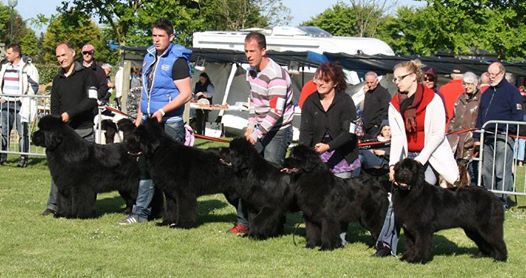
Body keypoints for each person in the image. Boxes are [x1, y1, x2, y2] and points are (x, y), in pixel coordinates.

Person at [374, 59, 458, 257]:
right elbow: (397, 137)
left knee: (422, 194)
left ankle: (421, 244)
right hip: (406, 156)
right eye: (394, 79)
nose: (396, 82)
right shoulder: (395, 103)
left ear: (413, 78)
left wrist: (421, 159)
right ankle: (386, 244)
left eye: (400, 78)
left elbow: (438, 133)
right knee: (396, 197)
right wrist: (393, 165)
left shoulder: (433, 99)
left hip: (430, 154)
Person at [119, 18, 192, 225]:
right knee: (144, 167)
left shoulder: (178, 61)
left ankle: (175, 215)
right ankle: (140, 213)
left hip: (170, 122)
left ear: (171, 37)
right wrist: (140, 117)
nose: (157, 40)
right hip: (149, 123)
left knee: (171, 173)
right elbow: (146, 91)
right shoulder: (149, 57)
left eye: (161, 36)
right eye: (154, 36)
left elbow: (186, 94)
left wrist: (162, 111)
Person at [228, 31, 294, 234]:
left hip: (278, 131)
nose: (248, 55)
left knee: (272, 181)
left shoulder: (276, 75)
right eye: (246, 51)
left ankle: (275, 224)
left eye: (252, 51)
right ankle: (243, 222)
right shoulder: (251, 71)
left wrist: (257, 133)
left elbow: (276, 111)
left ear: (263, 50)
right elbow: (255, 104)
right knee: (245, 174)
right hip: (259, 128)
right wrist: (250, 126)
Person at [41, 42, 99, 216]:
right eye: (58, 56)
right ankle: (53, 205)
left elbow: (91, 101)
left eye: (64, 55)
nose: (61, 59)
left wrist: (69, 114)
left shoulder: (88, 75)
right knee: (58, 171)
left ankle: (88, 208)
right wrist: (57, 120)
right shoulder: (57, 80)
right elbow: (54, 106)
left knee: (87, 173)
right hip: (63, 135)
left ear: (73, 53)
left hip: (84, 132)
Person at [474, 62, 522, 209]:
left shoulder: (512, 92)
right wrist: (477, 135)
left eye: (493, 74)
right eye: (489, 74)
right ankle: (490, 199)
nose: (491, 77)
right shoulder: (487, 93)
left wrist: (509, 129)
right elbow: (480, 115)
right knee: (486, 169)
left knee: (501, 169)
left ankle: (502, 200)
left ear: (502, 73)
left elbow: (518, 115)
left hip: (503, 135)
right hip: (487, 136)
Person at [300, 62, 361, 179]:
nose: (320, 83)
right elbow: (305, 132)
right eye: (318, 79)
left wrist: (328, 146)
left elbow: (349, 133)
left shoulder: (346, 101)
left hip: (343, 157)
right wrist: (302, 156)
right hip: (316, 158)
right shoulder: (310, 101)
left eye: (326, 80)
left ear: (335, 83)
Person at [0, 43, 39, 167]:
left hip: (20, 104)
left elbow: (34, 85)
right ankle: (2, 156)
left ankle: (23, 158)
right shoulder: (4, 66)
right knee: (4, 131)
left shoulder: (28, 67)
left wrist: (25, 98)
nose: (7, 55)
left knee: (22, 133)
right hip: (6, 103)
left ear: (16, 54)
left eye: (9, 53)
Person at [447, 72, 481, 186]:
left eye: (470, 84)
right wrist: (450, 133)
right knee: (455, 170)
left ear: (476, 84)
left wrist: (477, 138)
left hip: (470, 140)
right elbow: (453, 118)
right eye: (465, 84)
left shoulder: (481, 100)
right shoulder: (460, 98)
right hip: (455, 139)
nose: (467, 87)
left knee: (470, 171)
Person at [362, 71, 391, 139]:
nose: (369, 84)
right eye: (367, 82)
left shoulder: (383, 93)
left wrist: (377, 124)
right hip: (366, 128)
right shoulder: (368, 92)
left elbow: (386, 111)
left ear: (377, 81)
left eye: (371, 82)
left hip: (376, 128)